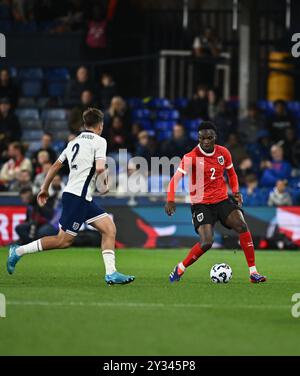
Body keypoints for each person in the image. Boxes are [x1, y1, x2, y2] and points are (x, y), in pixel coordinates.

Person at [7, 107, 135, 285]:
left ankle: (111, 273)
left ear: (85, 124)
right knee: (63, 241)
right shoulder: (99, 141)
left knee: (109, 228)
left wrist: (44, 188)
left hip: (79, 196)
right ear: (100, 125)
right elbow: (99, 168)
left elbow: (54, 166)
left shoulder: (73, 142)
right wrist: (105, 184)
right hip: (78, 197)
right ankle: (18, 251)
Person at [165, 121, 267, 284]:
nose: (205, 141)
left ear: (215, 137)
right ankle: (180, 268)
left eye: (209, 138)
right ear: (198, 138)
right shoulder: (190, 157)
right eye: (202, 138)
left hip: (222, 199)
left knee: (241, 225)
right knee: (206, 243)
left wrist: (236, 192)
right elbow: (175, 179)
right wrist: (170, 199)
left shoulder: (223, 153)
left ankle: (253, 273)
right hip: (201, 204)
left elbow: (232, 174)